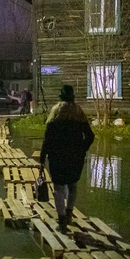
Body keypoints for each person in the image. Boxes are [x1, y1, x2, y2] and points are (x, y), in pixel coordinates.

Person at [38, 85, 94, 232]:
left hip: (57, 156)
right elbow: (90, 136)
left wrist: (42, 157)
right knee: (73, 185)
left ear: (60, 97)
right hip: (75, 157)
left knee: (58, 188)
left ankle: (61, 220)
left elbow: (47, 139)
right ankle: (69, 214)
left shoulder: (55, 112)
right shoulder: (78, 112)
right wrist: (82, 149)